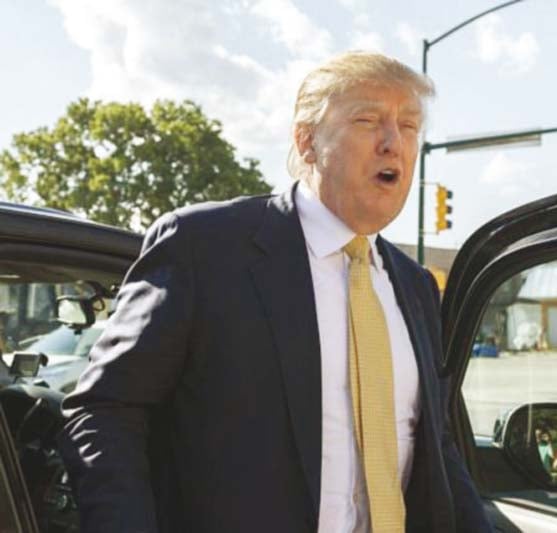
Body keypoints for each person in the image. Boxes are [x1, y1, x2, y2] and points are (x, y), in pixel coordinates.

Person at [59, 51, 492, 533]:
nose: (394, 143)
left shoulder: (415, 286)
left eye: (409, 126)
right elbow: (106, 410)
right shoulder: (204, 248)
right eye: (368, 119)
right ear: (307, 142)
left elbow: (437, 446)